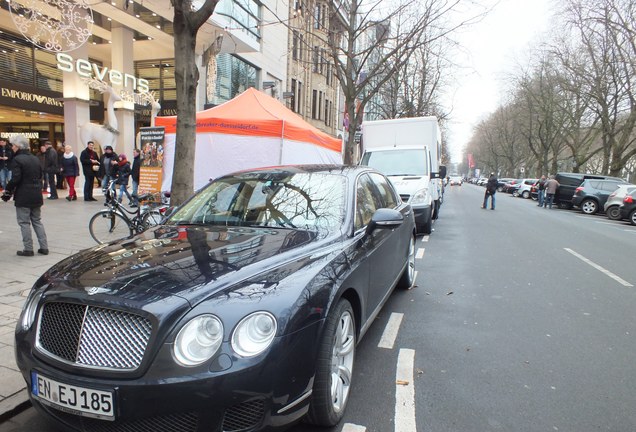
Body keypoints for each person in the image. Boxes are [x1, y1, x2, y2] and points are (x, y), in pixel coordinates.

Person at [1, 134, 49, 256]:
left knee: (24, 222)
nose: (12, 148)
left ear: (17, 146)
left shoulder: (17, 160)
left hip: (23, 194)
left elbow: (15, 178)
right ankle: (44, 247)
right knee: (37, 221)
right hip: (36, 193)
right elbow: (39, 175)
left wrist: (8, 192)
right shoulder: (35, 158)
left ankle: (28, 249)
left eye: (13, 145)